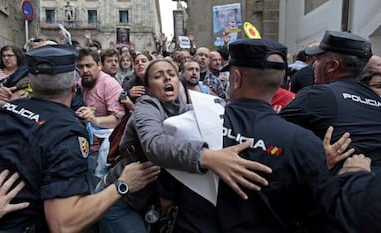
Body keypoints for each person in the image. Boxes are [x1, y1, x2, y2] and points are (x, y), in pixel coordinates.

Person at [0, 44, 160, 232]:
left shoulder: (6, 111)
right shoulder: (67, 133)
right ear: (74, 87)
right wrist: (122, 185)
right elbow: (63, 224)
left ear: (31, 84)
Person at [99, 59, 272, 233]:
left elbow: (222, 115)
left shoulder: (185, 109)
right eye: (158, 76)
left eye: (172, 74)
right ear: (149, 89)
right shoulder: (146, 105)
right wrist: (207, 157)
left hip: (146, 203)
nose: (167, 78)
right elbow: (154, 144)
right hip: (119, 200)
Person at [216, 38, 329, 232]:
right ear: (282, 81)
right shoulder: (305, 143)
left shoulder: (197, 123)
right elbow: (317, 213)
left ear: (236, 78)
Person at [279, 30, 381, 173]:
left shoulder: (316, 96)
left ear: (332, 66)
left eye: (318, 59)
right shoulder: (376, 98)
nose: (314, 65)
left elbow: (271, 138)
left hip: (341, 189)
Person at [76, 48, 126, 188]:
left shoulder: (109, 85)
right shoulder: (80, 83)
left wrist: (95, 120)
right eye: (80, 66)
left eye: (89, 65)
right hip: (84, 146)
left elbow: (118, 119)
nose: (85, 70)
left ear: (99, 65)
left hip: (103, 151)